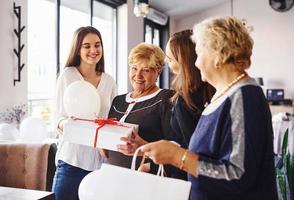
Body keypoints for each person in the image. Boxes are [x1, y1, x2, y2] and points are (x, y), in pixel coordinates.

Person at [140, 17, 278, 200]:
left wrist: (177, 156)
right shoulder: (222, 96)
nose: (196, 63)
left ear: (217, 54)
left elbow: (237, 176)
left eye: (199, 53)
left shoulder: (244, 97)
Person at [52, 26, 117, 200]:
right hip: (72, 161)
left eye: (97, 45)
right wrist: (68, 124)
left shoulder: (109, 81)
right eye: (86, 46)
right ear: (78, 49)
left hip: (99, 165)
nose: (93, 50)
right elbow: (57, 119)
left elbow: (112, 120)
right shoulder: (68, 75)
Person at [107, 42, 174, 174]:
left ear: (158, 72)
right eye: (134, 68)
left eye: (146, 70)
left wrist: (143, 148)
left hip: (145, 176)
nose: (138, 75)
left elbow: (174, 146)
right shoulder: (118, 101)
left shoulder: (166, 98)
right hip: (113, 175)